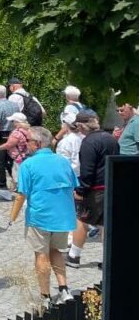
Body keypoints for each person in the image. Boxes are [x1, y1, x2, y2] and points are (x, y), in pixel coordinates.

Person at [9, 127, 79, 308]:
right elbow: (73, 185)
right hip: (63, 216)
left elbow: (21, 194)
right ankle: (64, 289)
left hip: (40, 216)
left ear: (37, 144)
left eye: (29, 141)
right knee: (57, 252)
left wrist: (13, 216)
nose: (26, 144)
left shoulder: (28, 165)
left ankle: (45, 295)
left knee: (41, 254)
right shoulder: (63, 162)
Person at [67, 111, 118, 268]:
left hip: (94, 189)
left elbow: (87, 171)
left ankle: (74, 256)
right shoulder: (111, 139)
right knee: (105, 224)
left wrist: (81, 190)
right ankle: (108, 259)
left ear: (82, 126)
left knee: (82, 220)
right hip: (111, 185)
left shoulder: (89, 142)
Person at [0, 113, 31, 191]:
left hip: (18, 157)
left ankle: (20, 191)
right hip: (26, 155)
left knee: (16, 175)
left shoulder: (16, 133)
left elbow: (9, 145)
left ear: (17, 122)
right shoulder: (28, 130)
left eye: (12, 121)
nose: (12, 123)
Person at [0, 85, 18, 190]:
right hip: (13, 133)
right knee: (12, 159)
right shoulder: (15, 105)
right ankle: (16, 181)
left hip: (1, 135)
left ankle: (2, 185)